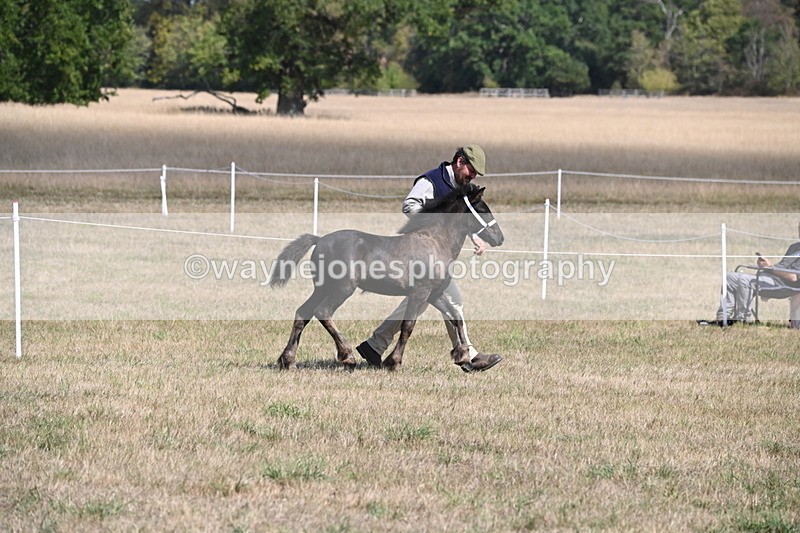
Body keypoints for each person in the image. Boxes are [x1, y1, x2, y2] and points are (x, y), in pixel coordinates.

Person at [356, 145, 503, 372]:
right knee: (452, 302)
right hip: (417, 256)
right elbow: (409, 205)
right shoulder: (431, 181)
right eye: (471, 170)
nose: (472, 177)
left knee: (419, 302)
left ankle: (374, 346)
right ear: (460, 162)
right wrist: (434, 222)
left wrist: (476, 236)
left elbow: (467, 216)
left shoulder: (466, 188)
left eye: (476, 174)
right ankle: (469, 356)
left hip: (437, 260)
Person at [701, 221, 800, 326]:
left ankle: (742, 320)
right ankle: (722, 318)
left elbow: (793, 277)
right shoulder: (794, 247)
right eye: (799, 227)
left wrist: (769, 267)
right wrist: (766, 267)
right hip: (771, 277)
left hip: (785, 285)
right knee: (730, 277)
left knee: (745, 280)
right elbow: (781, 267)